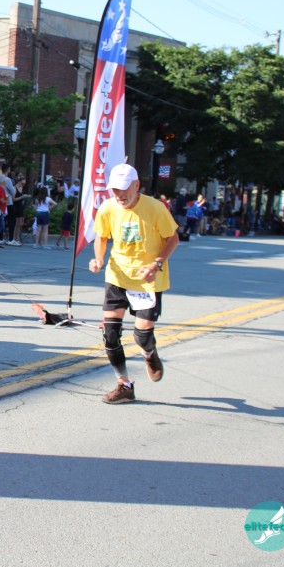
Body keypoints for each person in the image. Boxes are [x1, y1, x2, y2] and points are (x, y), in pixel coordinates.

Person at [88, 163, 179, 405]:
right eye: (115, 189)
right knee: (110, 335)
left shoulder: (155, 208)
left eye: (124, 188)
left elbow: (172, 238)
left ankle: (150, 354)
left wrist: (156, 264)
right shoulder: (108, 208)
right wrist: (98, 259)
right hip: (117, 276)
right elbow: (101, 236)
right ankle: (124, 385)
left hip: (148, 279)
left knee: (142, 335)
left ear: (137, 185)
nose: (119, 194)